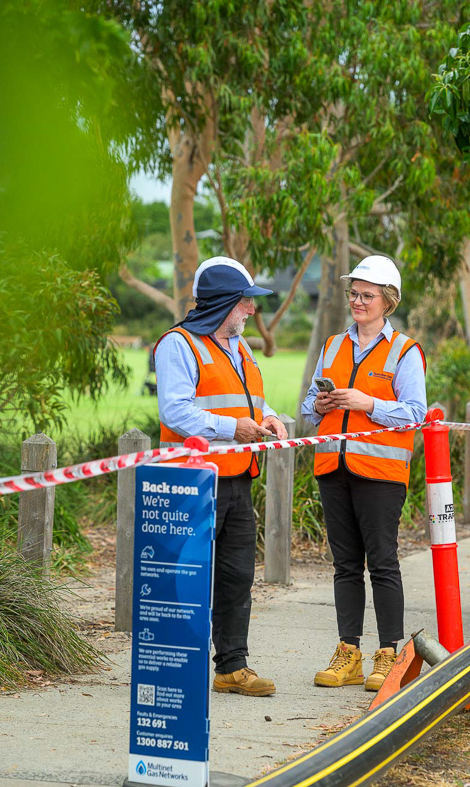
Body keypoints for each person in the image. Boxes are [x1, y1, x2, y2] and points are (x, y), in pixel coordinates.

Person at [154, 256, 288, 697]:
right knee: (185, 577)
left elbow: (249, 400)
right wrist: (234, 428)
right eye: (245, 301)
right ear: (222, 302)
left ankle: (232, 667)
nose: (251, 309)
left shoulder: (239, 345)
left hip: (237, 478)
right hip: (191, 483)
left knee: (235, 577)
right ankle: (174, 669)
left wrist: (268, 418)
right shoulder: (178, 345)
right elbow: (175, 410)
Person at [301, 256, 426, 691]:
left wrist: (367, 403)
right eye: (353, 293)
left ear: (387, 301)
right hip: (332, 468)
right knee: (345, 566)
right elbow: (308, 407)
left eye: (366, 295)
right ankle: (348, 652)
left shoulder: (405, 351)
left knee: (383, 563)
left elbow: (415, 413)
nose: (357, 301)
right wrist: (320, 404)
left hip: (380, 473)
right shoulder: (333, 345)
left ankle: (389, 654)